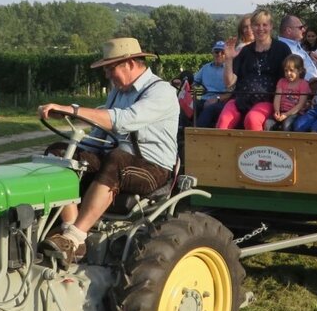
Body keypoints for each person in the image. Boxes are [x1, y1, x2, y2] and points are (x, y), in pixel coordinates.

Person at [39, 37, 179, 263]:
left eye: (110, 68)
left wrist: (73, 110)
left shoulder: (161, 91)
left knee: (116, 160)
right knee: (60, 152)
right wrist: (74, 153)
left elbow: (123, 120)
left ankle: (75, 236)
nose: (107, 75)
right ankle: (70, 234)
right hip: (117, 157)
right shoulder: (118, 92)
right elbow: (99, 134)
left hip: (153, 168)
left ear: (130, 63)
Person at [215, 9, 292, 130]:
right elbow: (229, 83)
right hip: (240, 99)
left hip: (268, 101)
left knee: (252, 119)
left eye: (264, 25)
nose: (260, 29)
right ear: (252, 27)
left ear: (271, 26)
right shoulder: (245, 51)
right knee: (224, 120)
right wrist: (229, 59)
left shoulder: (282, 49)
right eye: (256, 25)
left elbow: (291, 79)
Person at [267, 54, 312, 130]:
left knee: (286, 125)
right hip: (281, 111)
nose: (288, 73)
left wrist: (286, 114)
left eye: (291, 70)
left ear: (300, 70)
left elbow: (301, 104)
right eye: (286, 70)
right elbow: (277, 97)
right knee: (268, 123)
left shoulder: (303, 84)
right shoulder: (281, 82)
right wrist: (277, 111)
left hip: (295, 113)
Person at [193, 40, 230, 128]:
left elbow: (231, 93)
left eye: (222, 52)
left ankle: (198, 132)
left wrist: (217, 99)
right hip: (204, 98)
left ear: (227, 54)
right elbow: (194, 82)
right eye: (217, 52)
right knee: (188, 106)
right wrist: (193, 88)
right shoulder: (205, 68)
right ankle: (181, 131)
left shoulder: (229, 70)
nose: (219, 54)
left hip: (221, 101)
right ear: (213, 53)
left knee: (209, 109)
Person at [277, 14, 317, 79]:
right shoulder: (281, 49)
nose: (304, 30)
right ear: (289, 30)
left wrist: (309, 53)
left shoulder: (293, 44)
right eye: (300, 28)